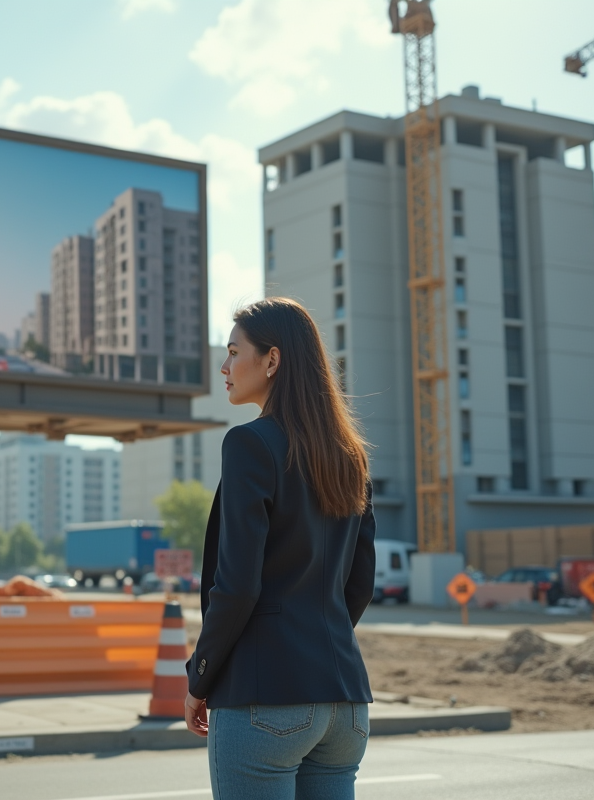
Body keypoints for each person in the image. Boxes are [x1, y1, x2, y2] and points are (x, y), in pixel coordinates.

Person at [185, 297, 376, 800]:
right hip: (345, 704)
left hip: (264, 697)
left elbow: (237, 585)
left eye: (232, 352)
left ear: (272, 361)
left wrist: (199, 677)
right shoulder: (350, 456)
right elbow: (359, 584)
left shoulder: (250, 444)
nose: (224, 367)